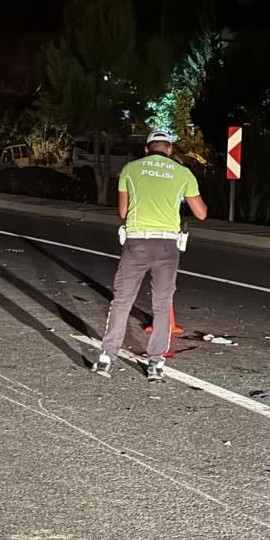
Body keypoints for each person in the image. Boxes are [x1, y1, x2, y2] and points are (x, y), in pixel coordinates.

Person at [94, 130, 208, 382]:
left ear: (147, 149)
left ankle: (107, 358)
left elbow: (123, 212)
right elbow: (201, 213)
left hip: (137, 243)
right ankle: (155, 362)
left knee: (122, 301)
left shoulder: (130, 170)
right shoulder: (183, 173)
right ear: (169, 150)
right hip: (167, 245)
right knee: (161, 304)